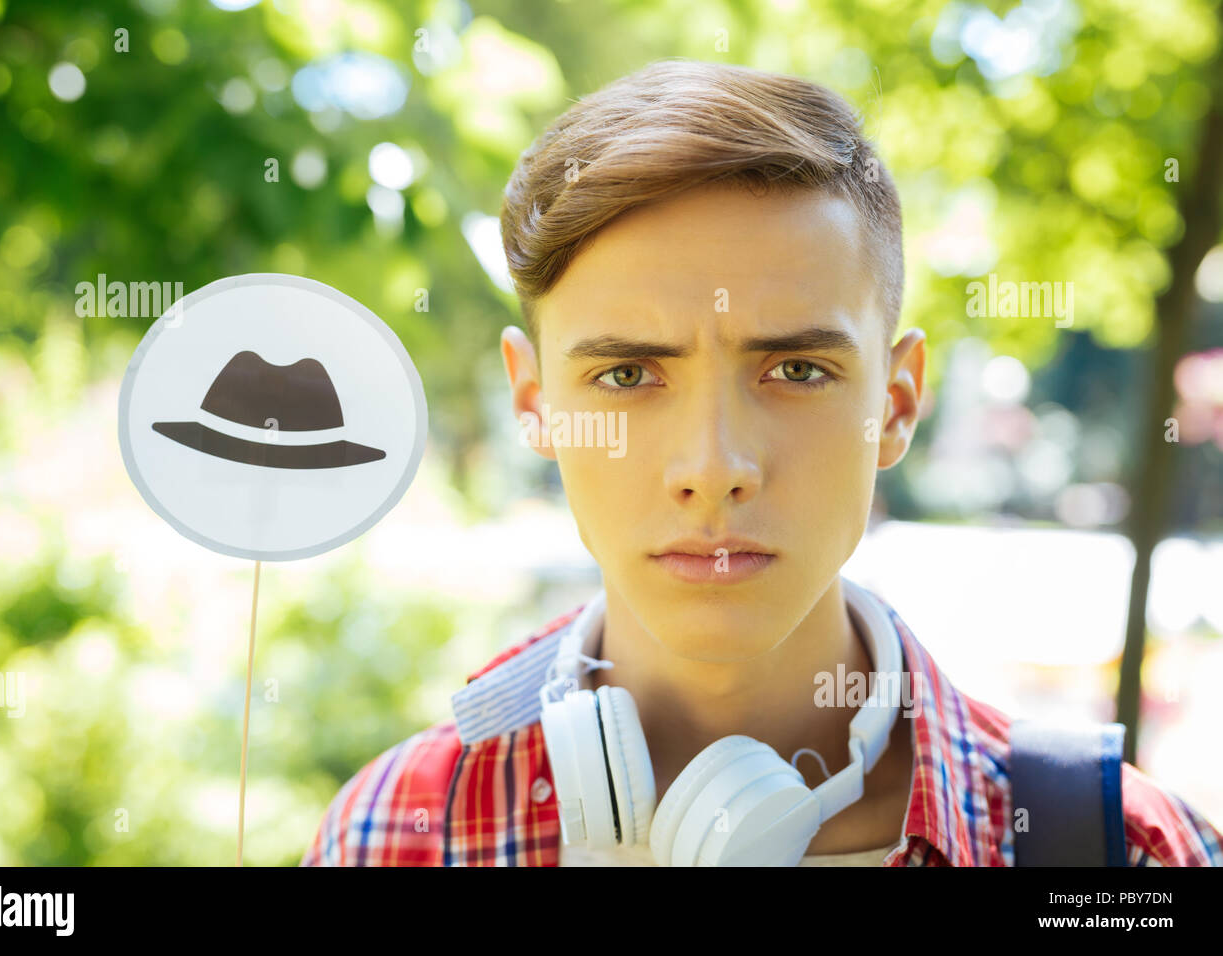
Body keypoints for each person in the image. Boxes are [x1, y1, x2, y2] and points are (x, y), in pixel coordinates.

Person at [301, 59, 1223, 867]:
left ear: (896, 404)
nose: (714, 467)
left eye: (795, 369)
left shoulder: (1128, 859)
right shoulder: (390, 839)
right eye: (627, 373)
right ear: (535, 403)